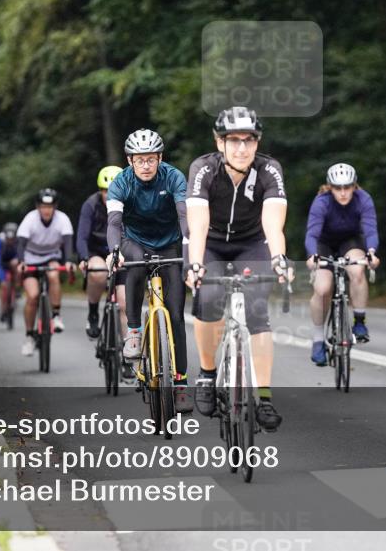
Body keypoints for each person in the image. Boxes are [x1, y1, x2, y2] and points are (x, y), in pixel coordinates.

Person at [186, 107, 290, 432]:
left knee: (258, 310)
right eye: (234, 140)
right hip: (212, 243)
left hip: (251, 244)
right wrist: (196, 264)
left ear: (257, 143)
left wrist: (279, 259)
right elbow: (198, 225)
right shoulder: (203, 169)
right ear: (220, 143)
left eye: (249, 140)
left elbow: (273, 222)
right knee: (209, 296)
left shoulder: (269, 170)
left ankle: (265, 396)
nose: (242, 148)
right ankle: (205, 373)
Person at [106, 130, 193, 413]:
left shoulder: (174, 177)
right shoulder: (120, 183)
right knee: (134, 264)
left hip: (169, 244)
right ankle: (133, 329)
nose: (146, 165)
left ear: (160, 159)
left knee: (177, 315)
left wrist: (190, 247)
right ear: (130, 160)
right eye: (140, 160)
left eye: (151, 160)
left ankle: (180, 384)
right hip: (135, 241)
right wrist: (113, 251)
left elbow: (183, 214)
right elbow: (115, 223)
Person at [304, 163, 381, 365]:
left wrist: (372, 252)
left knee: (357, 270)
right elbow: (312, 233)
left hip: (351, 241)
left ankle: (359, 322)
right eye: (338, 188)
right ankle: (319, 339)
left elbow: (370, 229)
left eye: (348, 187)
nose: (343, 193)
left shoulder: (363, 199)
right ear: (330, 187)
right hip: (324, 243)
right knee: (322, 289)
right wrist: (312, 255)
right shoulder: (322, 202)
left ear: (354, 186)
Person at [16, 188, 75, 357]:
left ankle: (56, 315)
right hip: (30, 259)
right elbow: (20, 243)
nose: (46, 210)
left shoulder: (62, 219)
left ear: (55, 207)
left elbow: (68, 242)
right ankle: (29, 336)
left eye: (50, 207)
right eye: (43, 206)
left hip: (51, 256)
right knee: (33, 296)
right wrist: (21, 262)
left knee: (53, 274)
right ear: (38, 207)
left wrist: (69, 261)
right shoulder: (30, 219)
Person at [77, 166, 127, 340]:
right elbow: (82, 236)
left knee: (125, 302)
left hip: (122, 253)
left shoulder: (131, 204)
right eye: (106, 191)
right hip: (97, 251)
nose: (110, 195)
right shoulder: (90, 205)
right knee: (97, 272)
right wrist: (84, 258)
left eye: (115, 190)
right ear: (100, 191)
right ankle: (93, 313)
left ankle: (129, 351)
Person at [0, 222, 20, 324]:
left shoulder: (19, 241)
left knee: (18, 268)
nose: (10, 240)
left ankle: (17, 288)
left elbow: (23, 254)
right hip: (2, 264)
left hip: (14, 262)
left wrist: (17, 260)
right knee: (4, 286)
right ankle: (3, 309)